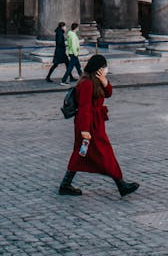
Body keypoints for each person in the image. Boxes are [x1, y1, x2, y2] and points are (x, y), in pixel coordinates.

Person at [58, 53, 139, 198]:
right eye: (104, 67)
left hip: (95, 123)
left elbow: (108, 93)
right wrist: (84, 130)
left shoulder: (95, 81)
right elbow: (84, 108)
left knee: (80, 154)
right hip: (90, 125)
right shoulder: (87, 84)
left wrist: (104, 80)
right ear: (98, 68)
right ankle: (121, 184)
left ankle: (65, 184)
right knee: (105, 153)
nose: (106, 69)